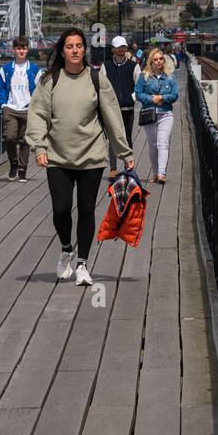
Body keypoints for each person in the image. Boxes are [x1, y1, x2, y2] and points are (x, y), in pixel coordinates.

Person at [25, 29, 134, 286]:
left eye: (79, 46)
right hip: (57, 156)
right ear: (62, 51)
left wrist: (124, 152)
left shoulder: (96, 79)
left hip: (91, 156)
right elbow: (38, 115)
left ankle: (83, 264)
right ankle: (66, 248)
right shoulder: (49, 80)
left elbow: (112, 117)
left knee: (86, 209)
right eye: (70, 46)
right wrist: (39, 148)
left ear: (85, 50)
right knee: (61, 209)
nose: (74, 50)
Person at [0, 36, 43, 181]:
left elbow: (40, 90)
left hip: (28, 109)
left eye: (24, 48)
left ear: (27, 49)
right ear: (14, 50)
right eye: (18, 48)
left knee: (24, 141)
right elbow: (1, 88)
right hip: (10, 108)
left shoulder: (34, 69)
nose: (21, 51)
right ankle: (13, 162)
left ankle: (22, 169)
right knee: (9, 137)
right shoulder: (6, 69)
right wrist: (3, 104)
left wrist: (36, 107)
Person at [135, 48, 179, 183]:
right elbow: (138, 93)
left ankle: (161, 174)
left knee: (163, 143)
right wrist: (151, 99)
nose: (159, 61)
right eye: (156, 59)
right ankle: (155, 172)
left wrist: (162, 97)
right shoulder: (144, 76)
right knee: (153, 145)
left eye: (161, 59)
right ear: (151, 62)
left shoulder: (170, 77)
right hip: (149, 114)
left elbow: (175, 95)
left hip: (165, 114)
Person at [102, 35, 141, 160]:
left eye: (123, 46)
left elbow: (139, 85)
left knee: (128, 137)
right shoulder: (106, 66)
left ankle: (128, 165)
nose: (121, 49)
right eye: (118, 47)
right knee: (113, 138)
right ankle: (113, 168)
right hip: (112, 108)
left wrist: (133, 98)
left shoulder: (133, 65)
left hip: (128, 107)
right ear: (113, 49)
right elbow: (102, 86)